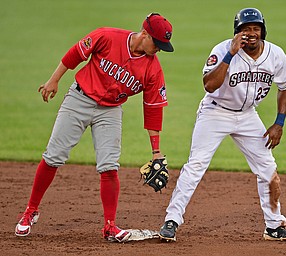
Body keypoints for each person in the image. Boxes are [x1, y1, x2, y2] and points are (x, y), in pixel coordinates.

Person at [15, 12, 174, 242]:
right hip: (79, 99)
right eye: (157, 43)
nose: (159, 49)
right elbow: (75, 54)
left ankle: (110, 226)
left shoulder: (153, 69)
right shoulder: (107, 36)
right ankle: (30, 211)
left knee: (109, 166)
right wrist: (54, 79)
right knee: (53, 157)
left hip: (110, 111)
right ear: (145, 34)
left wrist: (156, 151)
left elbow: (153, 109)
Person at [159, 7, 286, 242]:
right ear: (237, 32)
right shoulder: (223, 49)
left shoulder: (275, 54)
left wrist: (279, 123)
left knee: (268, 169)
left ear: (263, 31)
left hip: (247, 116)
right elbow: (209, 85)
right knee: (196, 166)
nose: (251, 33)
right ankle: (171, 221)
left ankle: (274, 226)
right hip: (215, 112)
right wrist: (230, 55)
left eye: (256, 28)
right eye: (246, 29)